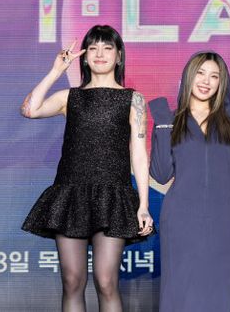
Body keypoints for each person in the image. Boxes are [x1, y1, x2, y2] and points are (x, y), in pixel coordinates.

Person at [21, 24, 154, 311]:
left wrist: (143, 205)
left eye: (107, 48)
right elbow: (30, 110)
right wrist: (56, 70)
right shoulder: (70, 97)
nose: (100, 54)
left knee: (106, 282)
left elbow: (139, 155)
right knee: (72, 281)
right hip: (71, 196)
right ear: (84, 56)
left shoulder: (133, 99)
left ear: (119, 55)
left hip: (113, 196)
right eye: (93, 48)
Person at [149, 51, 230, 312]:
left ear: (222, 83)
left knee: (220, 302)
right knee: (179, 301)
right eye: (200, 73)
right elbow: (160, 174)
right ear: (188, 76)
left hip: (224, 229)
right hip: (180, 226)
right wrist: (163, 126)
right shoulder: (171, 119)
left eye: (214, 76)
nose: (206, 81)